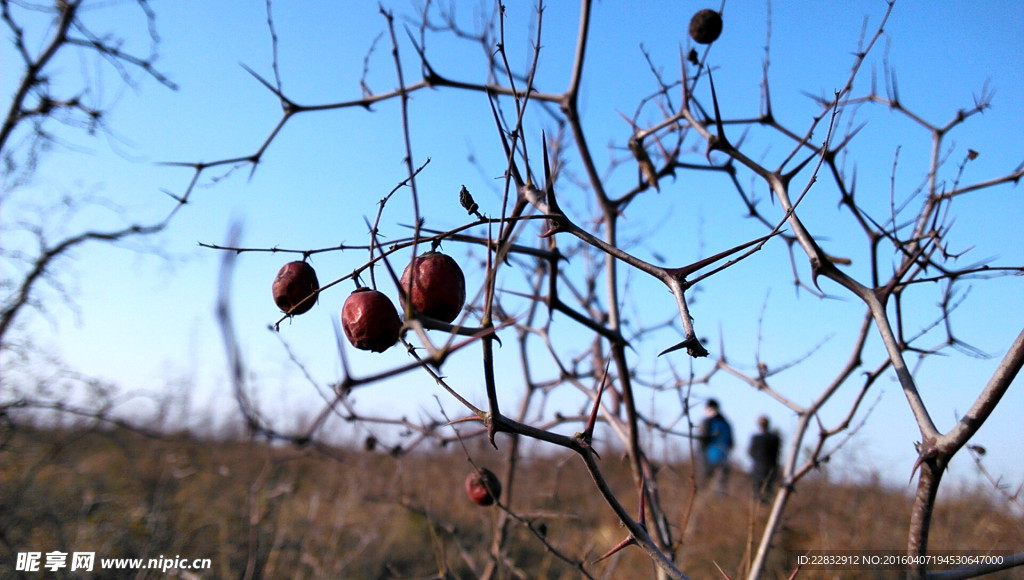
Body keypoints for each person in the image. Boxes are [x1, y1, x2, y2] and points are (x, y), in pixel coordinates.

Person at [698, 399, 733, 495]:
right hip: (723, 457)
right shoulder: (726, 423)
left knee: (703, 484)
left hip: (707, 457)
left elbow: (701, 441)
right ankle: (719, 502)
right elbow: (731, 443)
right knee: (720, 486)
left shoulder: (707, 422)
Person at [748, 415, 781, 503]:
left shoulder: (756, 438)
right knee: (768, 490)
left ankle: (759, 508)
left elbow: (750, 452)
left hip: (758, 468)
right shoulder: (775, 438)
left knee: (757, 491)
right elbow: (777, 453)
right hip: (771, 468)